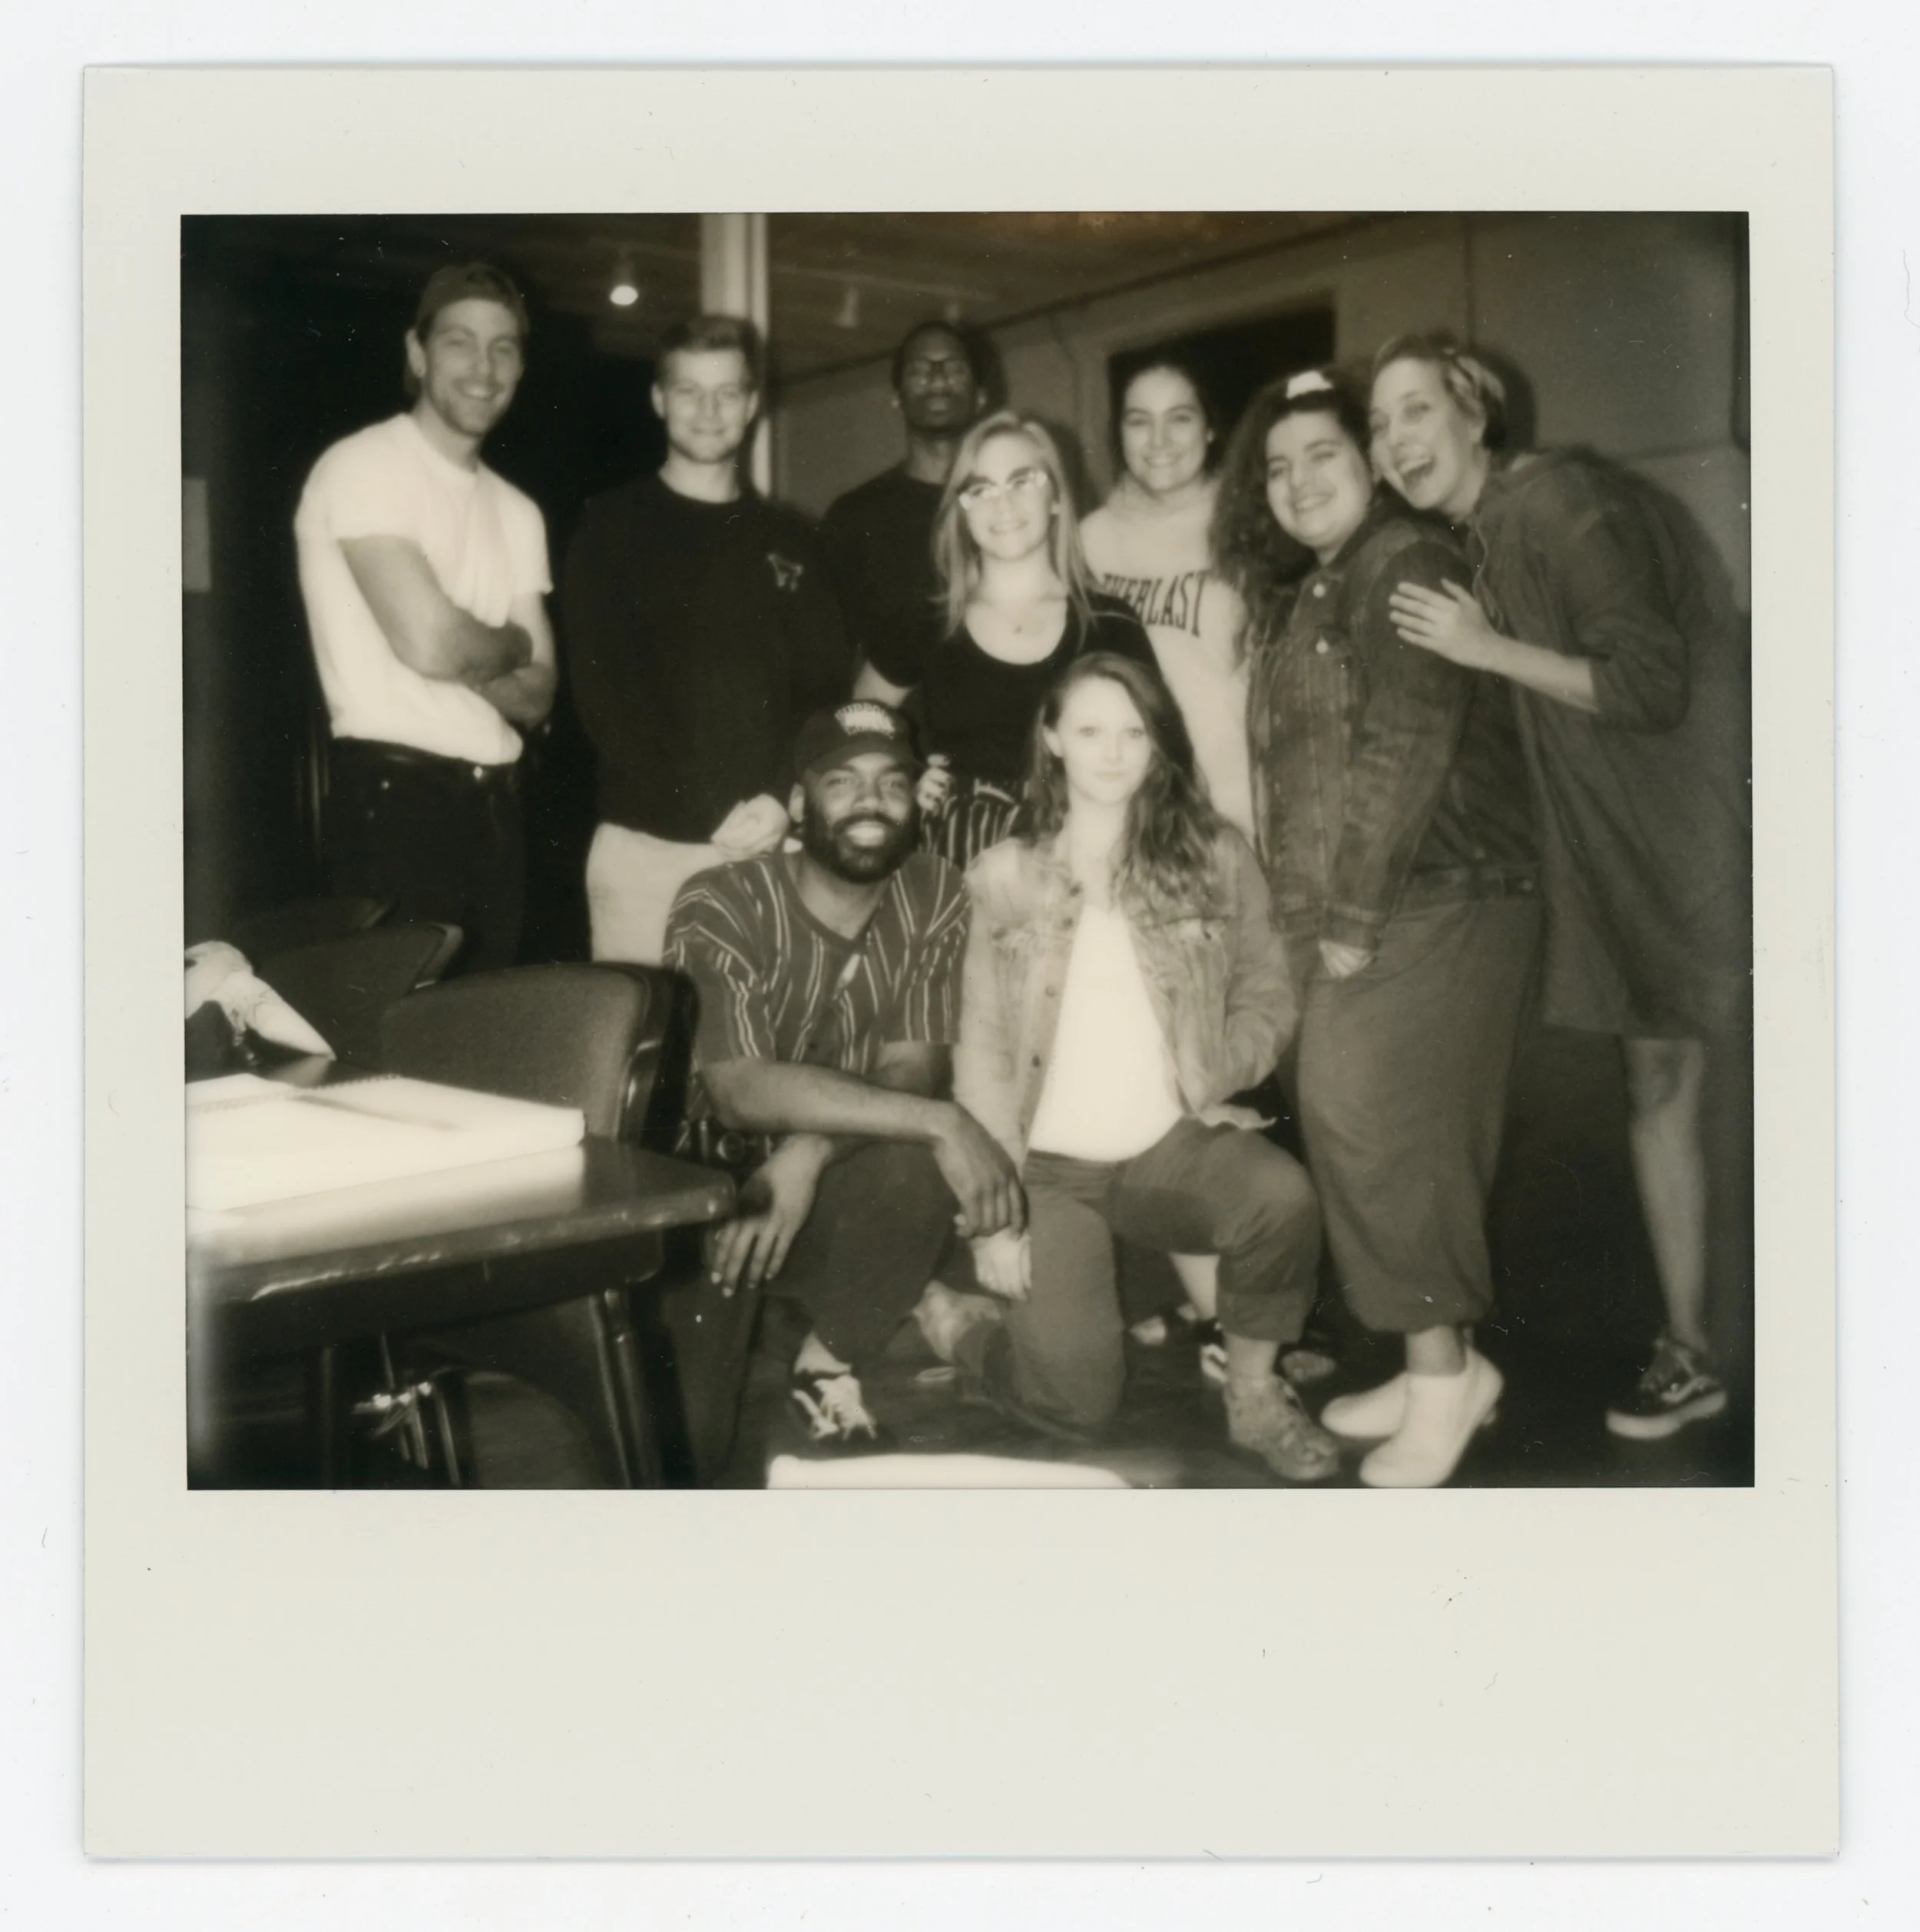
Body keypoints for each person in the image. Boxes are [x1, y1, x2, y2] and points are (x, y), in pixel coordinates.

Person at [1367, 333, 1752, 1441]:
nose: (1397, 440)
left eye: (1416, 411)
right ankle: (1692, 1350)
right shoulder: (1477, 537)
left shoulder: (1565, 503)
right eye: (1382, 425)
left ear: (1475, 415)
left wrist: (1485, 650)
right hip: (1609, 855)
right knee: (1658, 1096)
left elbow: (1648, 681)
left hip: (1684, 845)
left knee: (1725, 1090)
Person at [1213, 368, 1541, 1488]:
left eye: (1324, 455)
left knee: (1373, 1119)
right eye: (1278, 464)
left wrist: (1348, 920)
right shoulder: (1323, 582)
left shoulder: (1401, 560)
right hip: (1374, 902)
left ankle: (1446, 1381)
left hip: (1435, 891)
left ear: (1370, 463)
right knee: (1372, 1125)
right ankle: (1433, 1359)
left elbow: (1407, 738)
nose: (1299, 479)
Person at [949, 652, 1334, 1481]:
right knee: (1077, 1405)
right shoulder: (1004, 875)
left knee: (1279, 1198)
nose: (1113, 751)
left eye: (1133, 731)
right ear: (1052, 738)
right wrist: (998, 1214)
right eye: (1089, 730)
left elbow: (1268, 989)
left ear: (1158, 743)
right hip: (1046, 1172)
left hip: (1161, 1150)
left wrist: (1212, 1072)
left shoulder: (1213, 854)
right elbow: (979, 1051)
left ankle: (1256, 1392)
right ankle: (959, 1324)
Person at [663, 701, 1023, 1450]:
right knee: (686, 1448)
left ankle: (826, 1363)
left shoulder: (931, 891)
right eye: (843, 782)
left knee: (919, 1167)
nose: (871, 803)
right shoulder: (721, 897)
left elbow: (911, 1071)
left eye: (893, 784)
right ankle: (897, 1294)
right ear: (799, 803)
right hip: (718, 1201)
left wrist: (811, 1152)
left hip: (832, 1187)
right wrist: (947, 1121)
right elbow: (736, 1086)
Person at [563, 314, 852, 966]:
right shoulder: (609, 528)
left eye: (727, 392)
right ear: (659, 399)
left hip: (772, 846)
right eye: (689, 390)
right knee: (641, 1058)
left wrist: (782, 800)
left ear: (752, 404)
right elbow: (606, 701)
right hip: (647, 851)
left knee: (759, 1061)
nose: (708, 410)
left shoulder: (794, 542)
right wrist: (711, 808)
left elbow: (823, 694)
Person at [293, 261, 554, 973]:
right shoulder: (363, 466)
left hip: (499, 809)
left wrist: (468, 648)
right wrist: (510, 640)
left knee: (482, 1050)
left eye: (504, 347)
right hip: (396, 802)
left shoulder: (518, 510)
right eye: (460, 341)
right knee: (399, 1054)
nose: (484, 366)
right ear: (417, 353)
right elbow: (433, 643)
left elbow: (540, 692)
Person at [909, 410, 1163, 870]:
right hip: (961, 868)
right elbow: (860, 723)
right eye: (981, 488)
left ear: (1057, 498)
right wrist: (905, 774)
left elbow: (1161, 760)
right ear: (961, 510)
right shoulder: (932, 623)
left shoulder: (1111, 625)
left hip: (1089, 863)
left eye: (1022, 481)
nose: (1002, 505)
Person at [1081, 353, 1256, 842]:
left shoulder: (1248, 527)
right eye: (1140, 422)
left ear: (1210, 430)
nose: (1158, 441)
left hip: (1239, 810)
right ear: (1120, 434)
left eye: (1179, 418)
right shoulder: (1088, 541)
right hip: (1129, 815)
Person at [823, 320, 989, 704]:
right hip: (895, 751)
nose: (937, 377)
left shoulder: (1008, 511)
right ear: (896, 397)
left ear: (981, 395)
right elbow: (830, 657)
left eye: (954, 367)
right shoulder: (854, 518)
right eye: (919, 369)